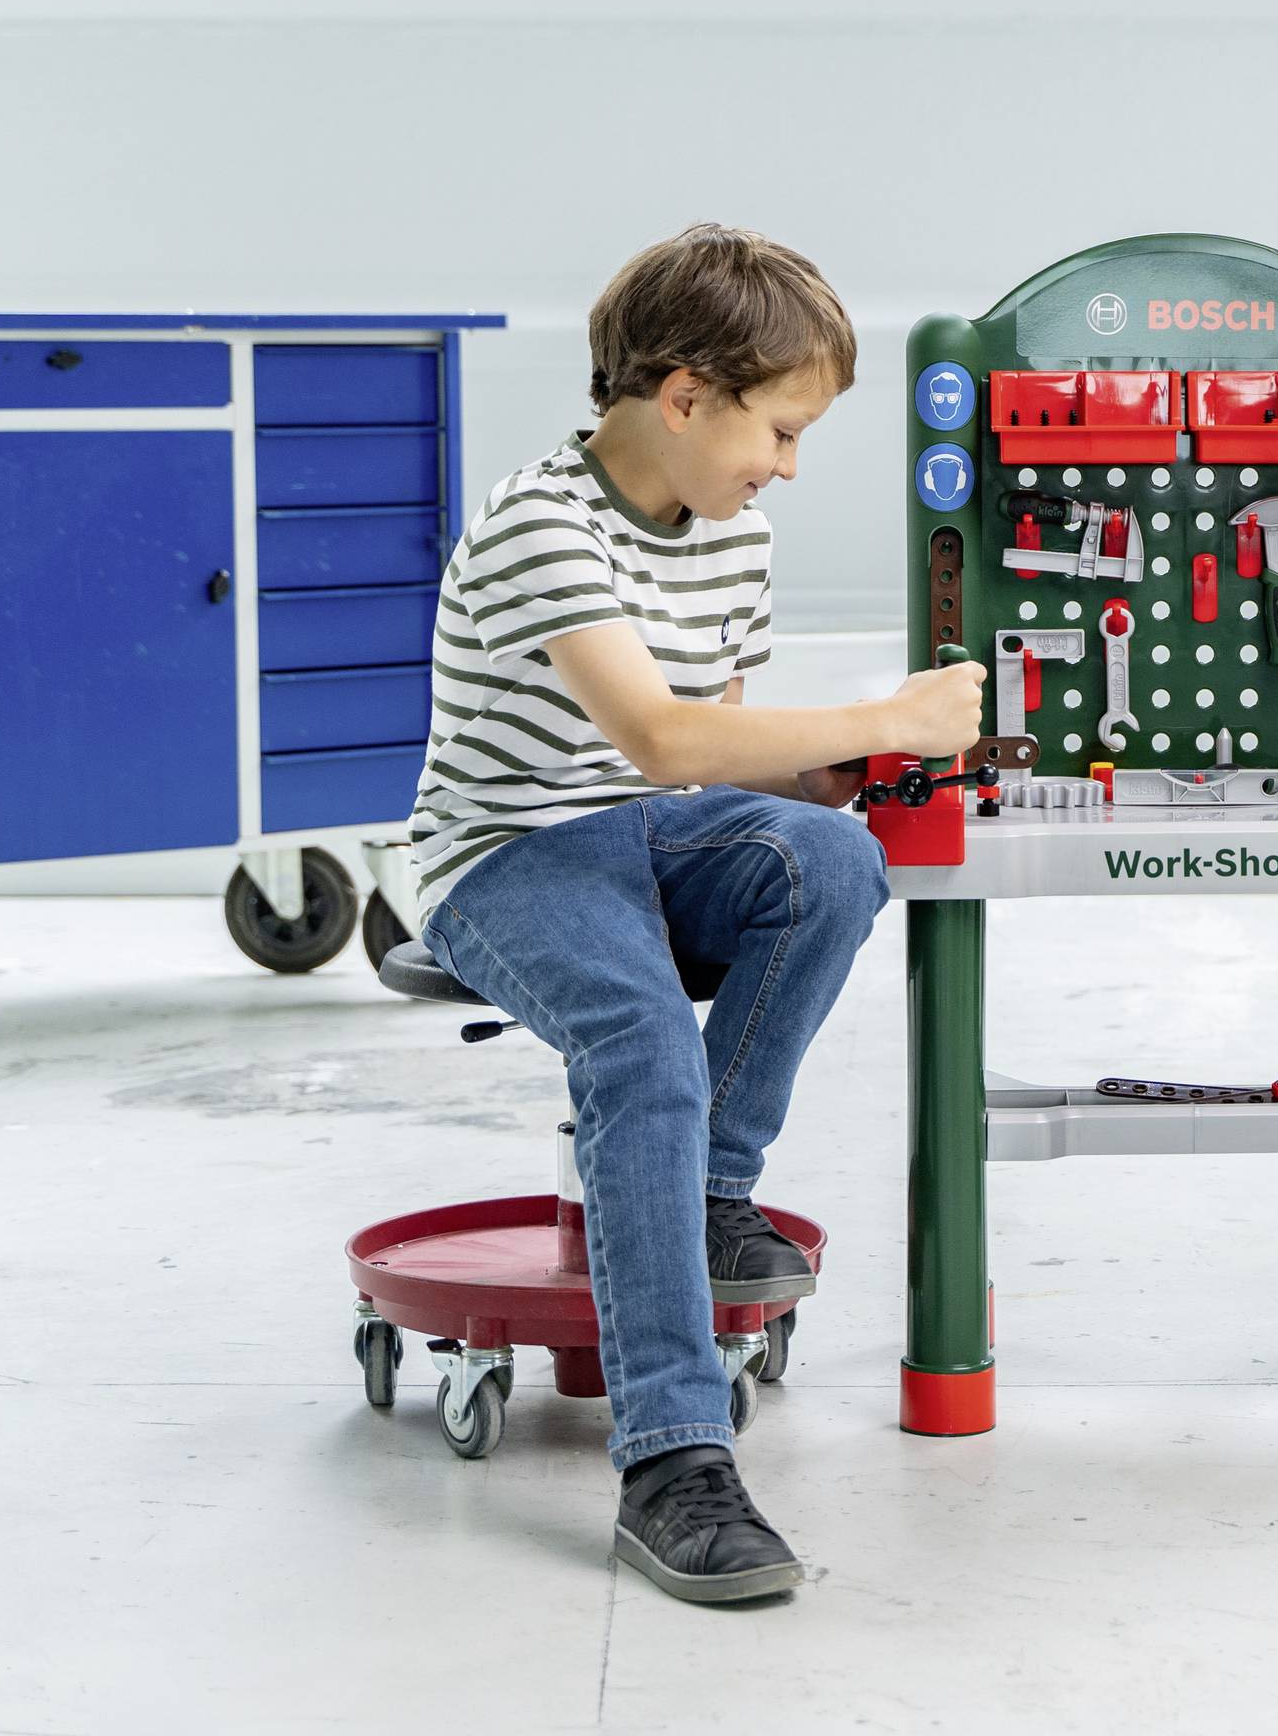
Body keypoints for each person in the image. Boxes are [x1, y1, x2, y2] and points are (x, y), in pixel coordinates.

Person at [409, 224, 983, 1598]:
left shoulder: (735, 543)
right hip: (506, 855)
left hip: (645, 832)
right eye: (777, 432)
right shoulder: (539, 526)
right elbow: (661, 739)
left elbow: (718, 759)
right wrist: (881, 707)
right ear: (682, 397)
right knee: (644, 1039)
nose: (784, 467)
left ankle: (713, 1195)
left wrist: (841, 769)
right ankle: (672, 1458)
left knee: (830, 859)